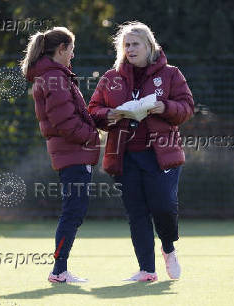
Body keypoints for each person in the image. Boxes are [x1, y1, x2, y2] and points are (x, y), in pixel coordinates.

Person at [88, 22, 194, 281]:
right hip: (124, 157)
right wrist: (109, 115)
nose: (131, 49)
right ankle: (147, 269)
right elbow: (93, 110)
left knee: (164, 206)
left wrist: (164, 107)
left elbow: (187, 107)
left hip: (161, 155)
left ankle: (168, 248)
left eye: (136, 44)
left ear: (150, 46)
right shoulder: (110, 78)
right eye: (126, 45)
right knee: (136, 213)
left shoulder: (171, 74)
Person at [21, 27, 100, 283]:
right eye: (71, 50)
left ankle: (60, 269)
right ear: (61, 49)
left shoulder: (53, 76)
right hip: (73, 154)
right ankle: (59, 270)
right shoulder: (54, 77)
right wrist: (91, 135)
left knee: (74, 211)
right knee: (73, 212)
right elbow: (64, 121)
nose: (73, 56)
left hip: (71, 154)